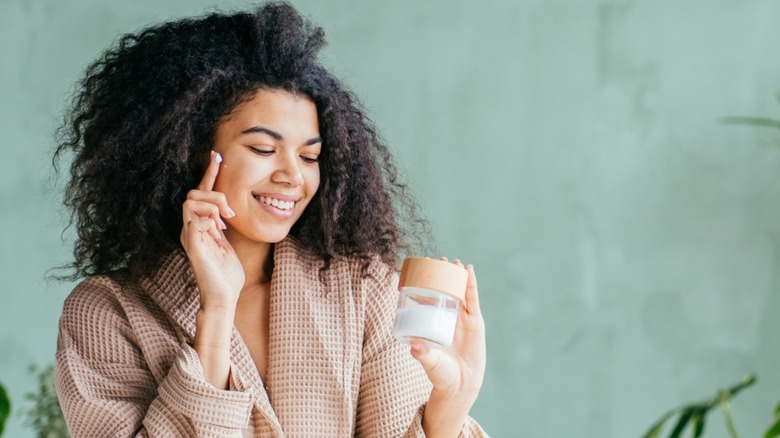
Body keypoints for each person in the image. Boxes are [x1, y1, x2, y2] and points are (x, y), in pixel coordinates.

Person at [53, 2, 487, 436]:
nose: (292, 176)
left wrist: (450, 405)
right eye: (263, 149)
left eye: (310, 156)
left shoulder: (363, 288)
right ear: (185, 149)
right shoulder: (106, 312)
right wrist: (216, 312)